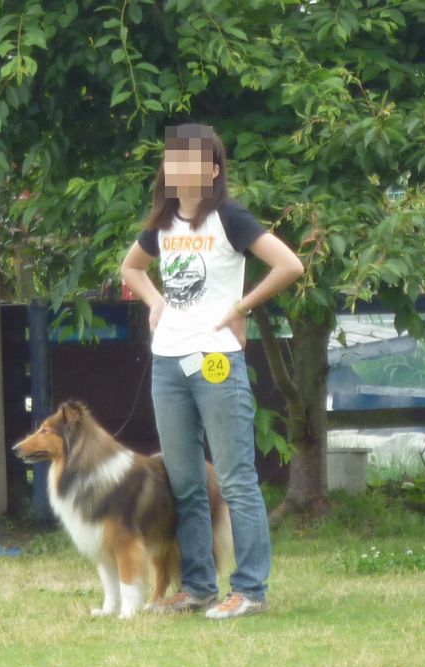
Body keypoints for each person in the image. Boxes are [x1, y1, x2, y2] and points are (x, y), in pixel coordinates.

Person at [120, 123, 304, 619]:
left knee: (237, 479)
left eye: (192, 159)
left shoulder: (230, 218)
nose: (180, 167)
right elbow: (131, 268)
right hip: (167, 363)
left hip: (216, 360)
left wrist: (242, 307)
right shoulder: (162, 222)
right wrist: (155, 301)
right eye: (173, 158)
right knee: (184, 483)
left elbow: (290, 265)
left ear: (213, 169)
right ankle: (197, 587)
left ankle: (250, 589)